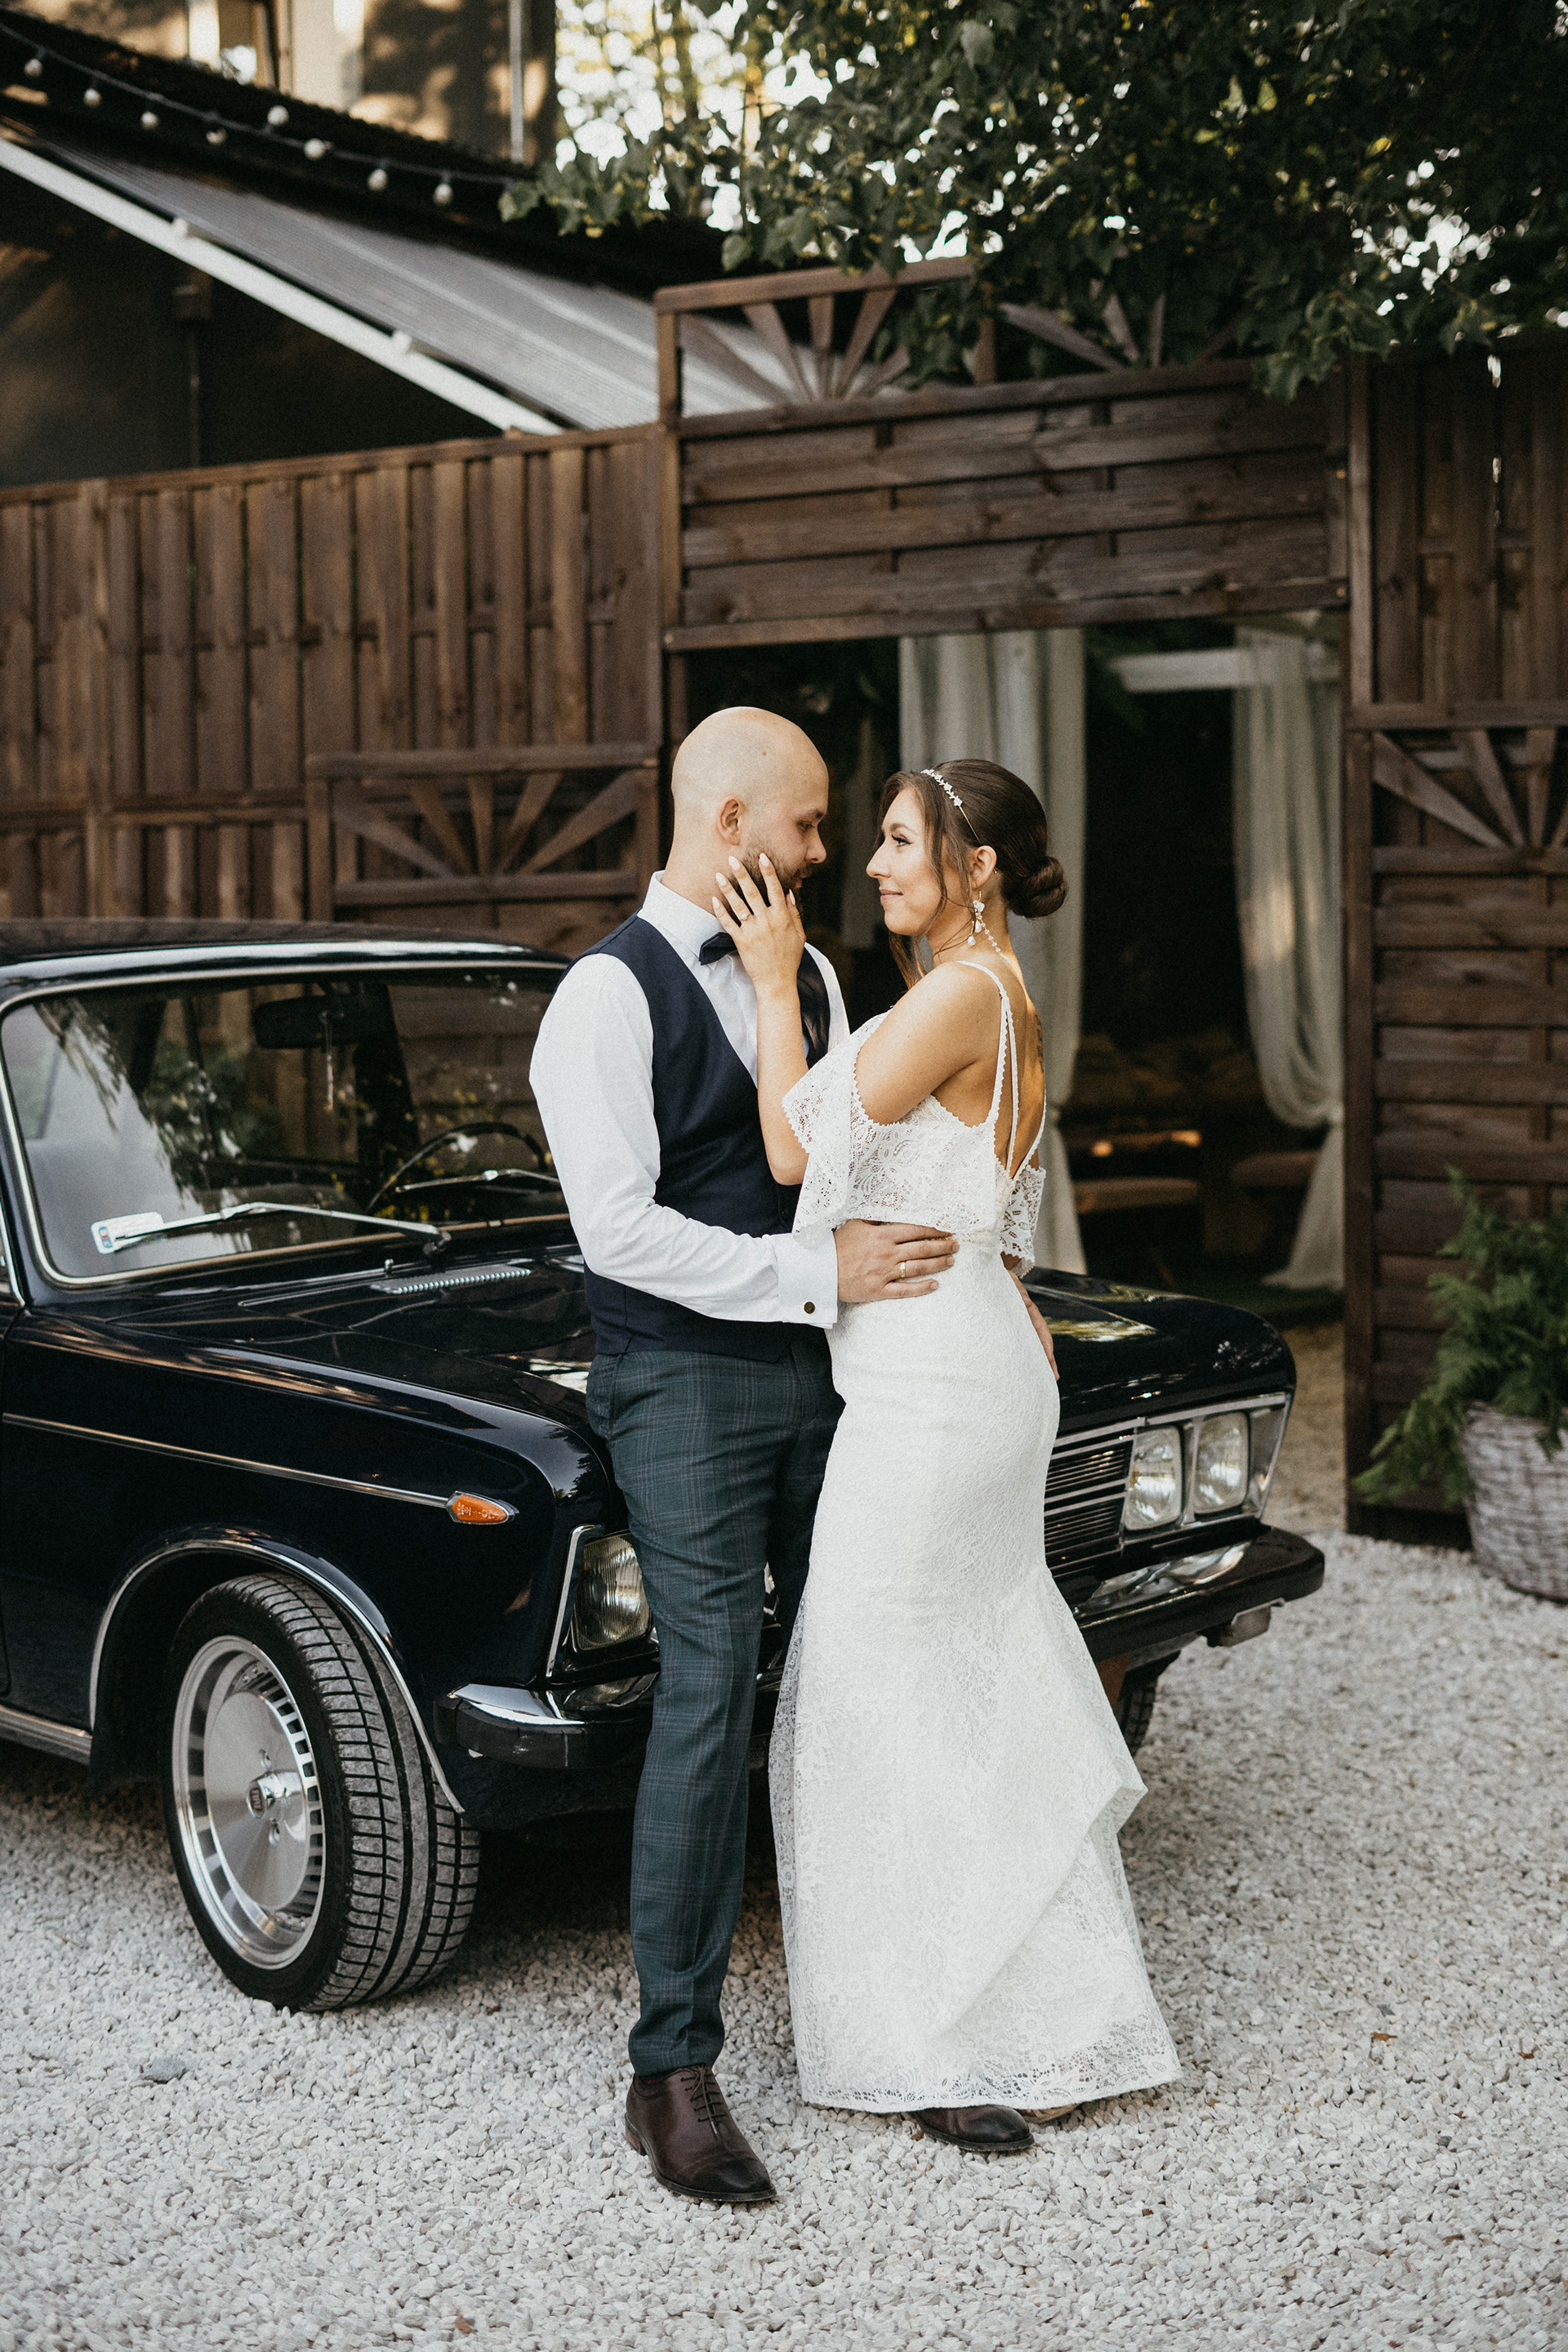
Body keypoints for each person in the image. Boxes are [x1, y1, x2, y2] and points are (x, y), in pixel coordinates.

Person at [709, 756, 1180, 2149]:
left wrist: (775, 983)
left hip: (930, 1394)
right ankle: (1045, 2014)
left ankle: (944, 2032)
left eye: (904, 841)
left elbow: (791, 1152)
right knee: (969, 1688)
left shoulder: (959, 992)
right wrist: (1008, 1286)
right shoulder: (1009, 994)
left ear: (978, 866)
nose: (873, 864)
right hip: (970, 1356)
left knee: (879, 1693)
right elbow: (983, 1204)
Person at [530, 706, 958, 2207]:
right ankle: (671, 2070)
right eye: (809, 821)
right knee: (711, 1690)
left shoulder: (816, 977)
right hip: (683, 1381)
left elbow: (830, 1160)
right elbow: (620, 1235)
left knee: (867, 1675)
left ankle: (908, 2033)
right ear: (729, 826)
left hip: (833, 1371)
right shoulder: (600, 999)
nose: (824, 849)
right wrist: (811, 1274)